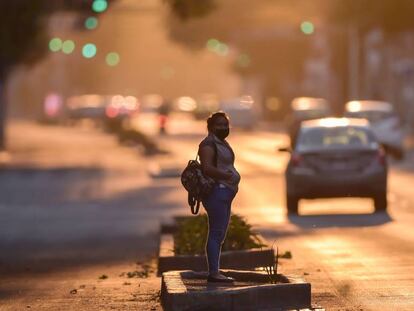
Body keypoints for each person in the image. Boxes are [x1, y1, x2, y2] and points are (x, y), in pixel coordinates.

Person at [198, 111, 241, 283]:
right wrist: (227, 176)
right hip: (217, 192)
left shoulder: (220, 142)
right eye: (219, 125)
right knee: (216, 233)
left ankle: (215, 271)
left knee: (219, 234)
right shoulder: (208, 145)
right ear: (211, 127)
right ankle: (214, 273)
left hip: (225, 192)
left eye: (225, 124)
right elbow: (207, 168)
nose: (223, 128)